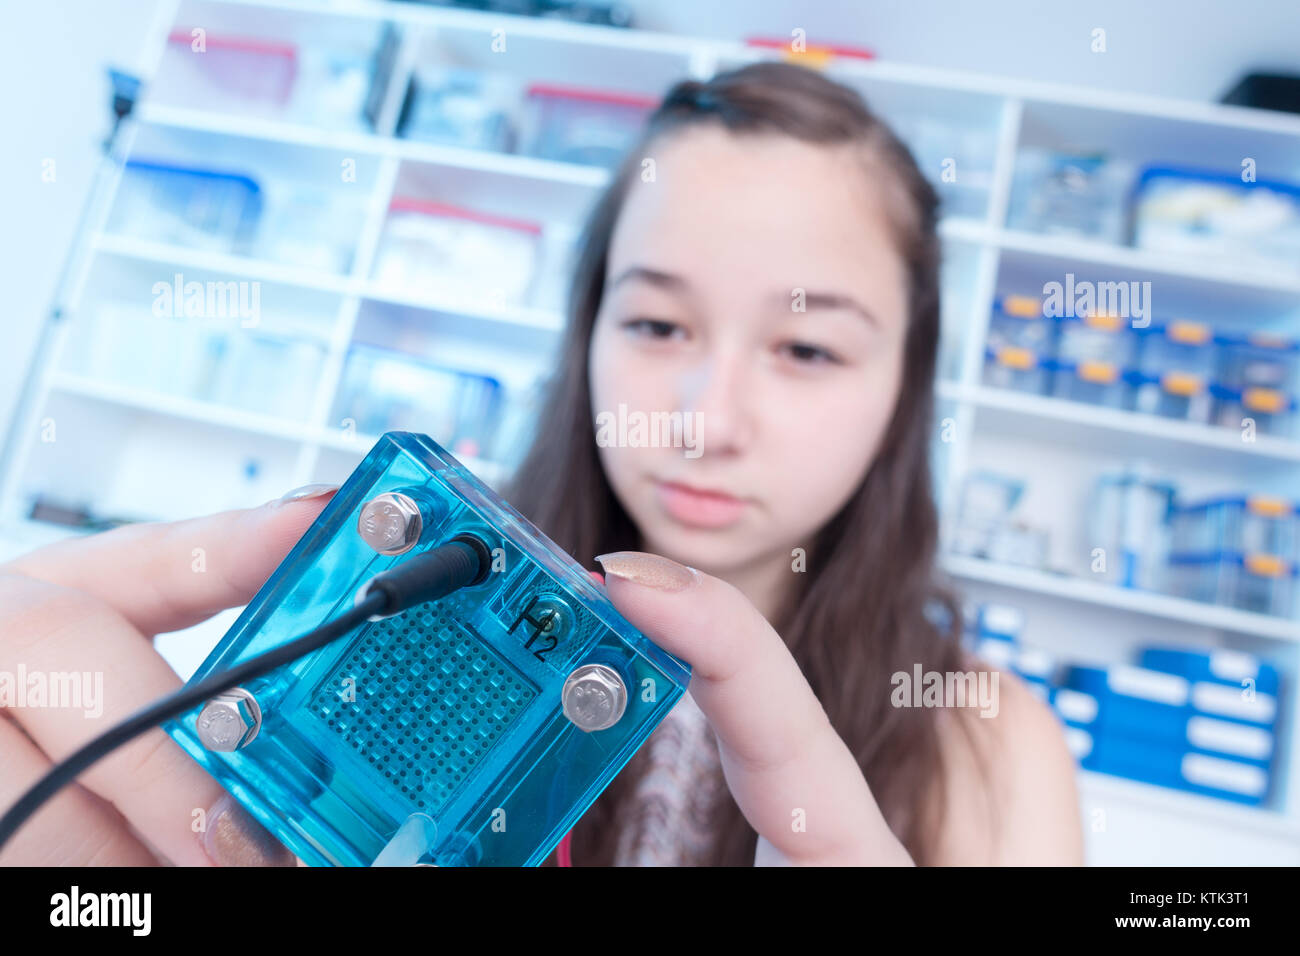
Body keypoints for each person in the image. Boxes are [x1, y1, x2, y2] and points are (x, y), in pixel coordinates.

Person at [0, 62, 1082, 867]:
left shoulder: (988, 747)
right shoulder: (393, 613)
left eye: (805, 347)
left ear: (906, 382)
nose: (703, 421)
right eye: (659, 324)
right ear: (588, 330)